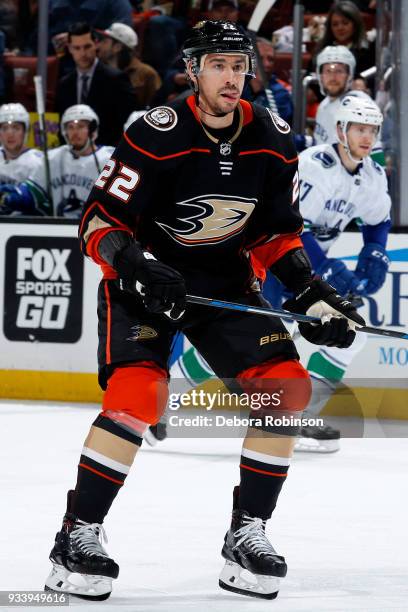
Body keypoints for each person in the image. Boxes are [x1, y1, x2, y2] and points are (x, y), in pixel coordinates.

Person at [44, 21, 364, 601]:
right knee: (138, 398)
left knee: (286, 390)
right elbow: (97, 222)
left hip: (222, 284)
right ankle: (77, 535)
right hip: (143, 283)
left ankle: (248, 533)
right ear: (193, 71)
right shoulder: (157, 133)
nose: (232, 77)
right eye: (219, 65)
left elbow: (277, 236)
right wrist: (138, 265)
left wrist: (313, 293)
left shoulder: (271, 137)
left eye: (240, 66)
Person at [296, 95, 391, 451]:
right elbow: (292, 226)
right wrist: (325, 267)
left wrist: (375, 250)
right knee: (243, 345)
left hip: (305, 272)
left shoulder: (371, 173)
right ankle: (162, 409)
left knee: (352, 335)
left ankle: (297, 417)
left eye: (372, 130)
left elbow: (378, 218)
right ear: (341, 129)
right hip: (270, 264)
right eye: (359, 128)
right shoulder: (315, 165)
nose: (366, 137)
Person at [0, 104, 113, 217]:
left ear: (93, 130)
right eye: (70, 127)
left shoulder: (109, 159)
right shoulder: (53, 158)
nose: (75, 132)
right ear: (64, 131)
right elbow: (32, 193)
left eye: (81, 126)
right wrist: (12, 196)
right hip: (58, 229)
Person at [56, 22, 136, 146]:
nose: (83, 53)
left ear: (96, 44)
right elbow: (62, 125)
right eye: (77, 48)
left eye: (87, 47)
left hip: (108, 153)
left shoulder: (116, 80)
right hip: (73, 154)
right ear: (70, 48)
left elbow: (128, 123)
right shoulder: (64, 84)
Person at [313, 45, 384, 166]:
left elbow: (375, 156)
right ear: (320, 75)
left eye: (339, 71)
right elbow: (323, 144)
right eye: (328, 71)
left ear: (349, 75)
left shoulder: (359, 104)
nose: (333, 77)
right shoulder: (324, 104)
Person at [97, 22, 162, 109]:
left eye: (104, 41)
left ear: (117, 47)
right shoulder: (98, 70)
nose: (98, 45)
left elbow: (157, 107)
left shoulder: (146, 73)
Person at [313, 1, 375, 76]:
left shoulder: (367, 51)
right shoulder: (321, 50)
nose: (340, 28)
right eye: (335, 24)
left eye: (345, 23)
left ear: (355, 25)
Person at [244, 37, 293, 124]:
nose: (266, 64)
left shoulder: (280, 94)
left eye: (270, 59)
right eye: (260, 58)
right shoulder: (236, 87)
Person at [0, 103, 43, 189]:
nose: (10, 134)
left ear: (25, 131)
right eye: (4, 128)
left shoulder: (38, 162)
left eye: (16, 128)